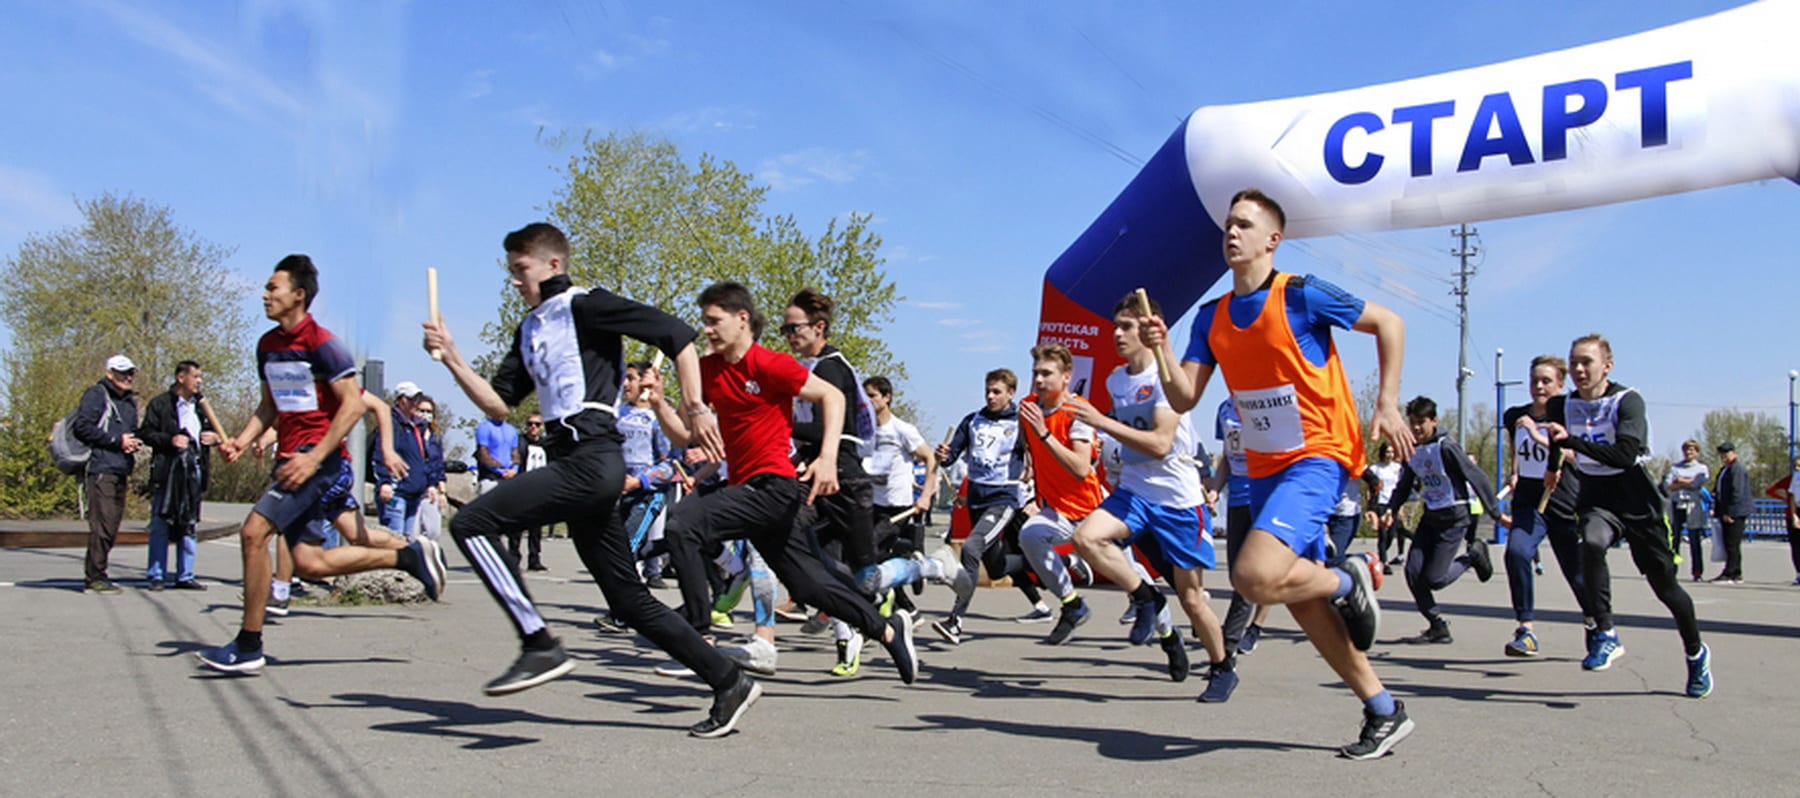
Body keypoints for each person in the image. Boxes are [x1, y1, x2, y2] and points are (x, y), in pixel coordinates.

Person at [1142, 188, 1414, 760]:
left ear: (1272, 239)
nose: (1231, 233)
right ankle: (1383, 708)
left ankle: (1350, 578)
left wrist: (1387, 402)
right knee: (1295, 595)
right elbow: (1185, 397)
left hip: (1319, 454)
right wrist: (1162, 351)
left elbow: (1389, 322)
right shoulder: (1211, 316)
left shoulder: (1301, 294)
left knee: (1254, 576)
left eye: (1244, 224)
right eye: (1227, 225)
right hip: (1263, 466)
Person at [653, 281, 920, 698]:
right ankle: (887, 629)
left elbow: (832, 397)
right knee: (810, 585)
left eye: (714, 321)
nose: (706, 330)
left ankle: (698, 637)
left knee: (683, 523)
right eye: (703, 321)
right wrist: (658, 404)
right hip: (747, 492)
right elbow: (686, 435)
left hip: (773, 487)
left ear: (742, 319)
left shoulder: (769, 364)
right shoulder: (706, 371)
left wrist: (827, 457)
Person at [196, 254, 447, 674]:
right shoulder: (267, 346)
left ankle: (248, 644)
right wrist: (242, 439)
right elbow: (269, 406)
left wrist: (314, 458)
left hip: (318, 460)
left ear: (298, 295)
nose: (264, 294)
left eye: (272, 288)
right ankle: (408, 558)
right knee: (310, 563)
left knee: (253, 533)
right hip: (290, 459)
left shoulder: (323, 345)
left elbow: (353, 406)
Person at [1529, 333, 1711, 697]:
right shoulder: (1562, 405)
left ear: (1607, 366)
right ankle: (1605, 631)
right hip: (1597, 498)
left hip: (1637, 501)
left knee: (1666, 588)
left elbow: (1625, 456)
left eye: (1587, 362)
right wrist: (1553, 466)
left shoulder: (1627, 402)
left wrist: (1571, 444)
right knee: (1591, 542)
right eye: (1574, 362)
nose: (1579, 369)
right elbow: (1557, 438)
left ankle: (1696, 652)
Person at [1069, 295, 1230, 691]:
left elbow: (1159, 444)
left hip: (1177, 499)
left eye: (1126, 326)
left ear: (1149, 330)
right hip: (1135, 490)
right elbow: (1129, 438)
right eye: (1115, 325)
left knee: (1192, 599)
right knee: (1086, 537)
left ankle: (1222, 666)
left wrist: (1101, 421)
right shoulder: (1116, 380)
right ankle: (1146, 597)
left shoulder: (1165, 379)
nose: (1117, 333)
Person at [933, 368, 1052, 645]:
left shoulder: (1021, 421)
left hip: (1004, 498)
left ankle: (955, 621)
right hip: (977, 499)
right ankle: (1057, 563)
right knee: (996, 567)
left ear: (1011, 393)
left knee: (971, 548)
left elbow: (1041, 455)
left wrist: (1035, 493)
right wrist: (943, 455)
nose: (990, 396)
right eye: (988, 390)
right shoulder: (972, 420)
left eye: (997, 391)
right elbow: (950, 458)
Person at [1382, 396, 1501, 645]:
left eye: (1421, 422)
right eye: (1412, 422)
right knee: (1413, 572)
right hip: (1430, 517)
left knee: (1434, 579)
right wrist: (1391, 509)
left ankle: (1472, 556)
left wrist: (1495, 511)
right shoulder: (1411, 449)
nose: (1416, 428)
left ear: (1434, 421)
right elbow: (1404, 485)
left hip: (1454, 518)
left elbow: (1475, 475)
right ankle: (1437, 626)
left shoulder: (1446, 447)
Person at [1015, 343, 1110, 646]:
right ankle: (1072, 604)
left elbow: (1081, 468)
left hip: (1091, 511)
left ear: (1066, 376)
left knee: (1134, 576)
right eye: (1035, 373)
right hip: (1056, 509)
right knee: (1030, 536)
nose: (1038, 380)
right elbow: (1028, 447)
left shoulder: (1076, 411)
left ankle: (1172, 627)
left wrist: (1044, 433)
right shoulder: (1028, 406)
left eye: (1046, 373)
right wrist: (1029, 473)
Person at [1499, 355, 1591, 656]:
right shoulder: (1515, 416)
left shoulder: (1570, 414)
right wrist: (1514, 472)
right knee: (1516, 553)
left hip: (1562, 500)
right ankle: (1525, 629)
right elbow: (1516, 447)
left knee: (1575, 572)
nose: (1539, 386)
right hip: (1528, 500)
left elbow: (1574, 455)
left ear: (1560, 385)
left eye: (1546, 381)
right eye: (1534, 380)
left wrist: (1538, 435)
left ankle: (1596, 624)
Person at [138, 360, 219, 590]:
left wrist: (214, 438)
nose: (199, 382)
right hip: (168, 471)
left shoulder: (201, 407)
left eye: (201, 377)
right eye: (195, 376)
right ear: (181, 378)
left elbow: (216, 433)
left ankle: (185, 574)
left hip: (194, 470)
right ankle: (156, 575)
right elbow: (146, 433)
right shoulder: (161, 404)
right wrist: (169, 440)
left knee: (189, 523)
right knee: (161, 523)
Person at [71, 354, 143, 593]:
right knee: (103, 524)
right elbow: (82, 427)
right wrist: (115, 441)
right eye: (122, 373)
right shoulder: (96, 394)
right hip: (101, 467)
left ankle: (98, 572)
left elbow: (131, 432)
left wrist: (134, 442)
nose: (128, 377)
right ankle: (95, 575)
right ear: (109, 374)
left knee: (112, 525)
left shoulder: (129, 402)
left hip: (121, 468)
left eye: (131, 373)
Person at [1209, 399, 1273, 665]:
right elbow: (1227, 456)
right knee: (1238, 576)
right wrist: (1215, 489)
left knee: (1250, 574)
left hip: (1263, 496)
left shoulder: (1263, 403)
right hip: (1236, 498)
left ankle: (1231, 642)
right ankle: (1233, 635)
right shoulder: (1224, 409)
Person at [369, 381, 436, 539]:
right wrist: (384, 481)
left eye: (417, 399)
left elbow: (423, 458)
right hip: (396, 492)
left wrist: (429, 483)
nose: (415, 403)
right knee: (394, 538)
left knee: (408, 540)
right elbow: (381, 453)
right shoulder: (391, 423)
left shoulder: (416, 426)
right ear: (400, 400)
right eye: (411, 399)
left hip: (414, 493)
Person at [1663, 440, 1711, 582]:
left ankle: (1697, 572)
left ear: (1696, 452)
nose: (1689, 452)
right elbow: (1668, 485)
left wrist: (1680, 481)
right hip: (1676, 504)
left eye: (1692, 450)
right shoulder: (1675, 467)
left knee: (1694, 540)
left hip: (1692, 505)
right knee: (1674, 540)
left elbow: (1698, 483)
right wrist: (1688, 482)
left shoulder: (1702, 468)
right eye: (1686, 450)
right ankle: (1672, 571)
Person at [510, 412, 550, 570]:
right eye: (530, 424)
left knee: (536, 527)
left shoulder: (546, 444)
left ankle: (534, 559)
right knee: (516, 527)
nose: (533, 427)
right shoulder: (519, 442)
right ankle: (513, 558)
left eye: (537, 424)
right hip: (522, 486)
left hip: (540, 488)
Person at [1710, 442, 1751, 584]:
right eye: (1722, 454)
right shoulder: (1725, 469)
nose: (1724, 457)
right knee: (1729, 542)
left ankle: (1731, 572)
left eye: (1726, 453)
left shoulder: (1737, 468)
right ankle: (1735, 572)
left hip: (1735, 512)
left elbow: (1736, 492)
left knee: (1732, 543)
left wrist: (1729, 512)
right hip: (1724, 509)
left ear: (1733, 453)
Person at [1365, 443, 1407, 573]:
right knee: (1382, 534)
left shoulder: (1397, 468)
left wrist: (1401, 506)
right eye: (1388, 452)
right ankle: (1384, 562)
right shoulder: (1375, 468)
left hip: (1393, 503)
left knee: (1391, 534)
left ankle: (1380, 555)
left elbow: (1401, 488)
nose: (1390, 455)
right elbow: (1370, 489)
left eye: (1392, 452)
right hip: (1380, 503)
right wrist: (1370, 507)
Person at [1763, 456, 1800, 585]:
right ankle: (1799, 572)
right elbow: (1770, 490)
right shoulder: (1791, 480)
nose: (1797, 468)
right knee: (1795, 546)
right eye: (1795, 466)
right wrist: (1783, 499)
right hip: (1792, 514)